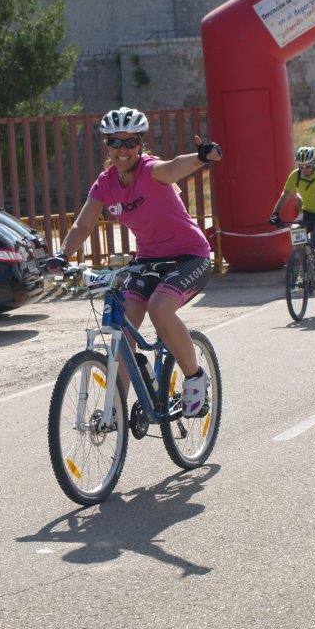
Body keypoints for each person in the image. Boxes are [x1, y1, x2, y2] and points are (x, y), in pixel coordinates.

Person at [47, 107, 222, 418]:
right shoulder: (105, 183)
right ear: (108, 146)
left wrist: (201, 157)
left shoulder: (150, 170)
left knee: (159, 309)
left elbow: (171, 169)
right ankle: (116, 406)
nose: (123, 150)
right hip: (148, 261)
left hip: (189, 256)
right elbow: (83, 225)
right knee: (121, 330)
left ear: (141, 145)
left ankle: (195, 379)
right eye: (116, 142)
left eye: (130, 143)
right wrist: (62, 255)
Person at [269, 146, 315, 298]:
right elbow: (285, 195)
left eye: (308, 166)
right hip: (308, 213)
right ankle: (305, 261)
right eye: (301, 166)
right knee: (295, 229)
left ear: (314, 162)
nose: (305, 169)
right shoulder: (295, 175)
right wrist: (275, 213)